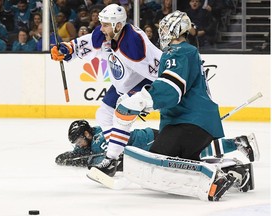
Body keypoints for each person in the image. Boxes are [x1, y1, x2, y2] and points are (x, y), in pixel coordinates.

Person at [89, 10, 238, 200]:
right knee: (181, 161)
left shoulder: (180, 51)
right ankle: (236, 169)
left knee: (157, 160)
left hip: (189, 122)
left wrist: (143, 99)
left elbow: (171, 88)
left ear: (175, 30)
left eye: (166, 28)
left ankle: (215, 180)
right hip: (194, 122)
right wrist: (145, 101)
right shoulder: (182, 53)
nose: (162, 32)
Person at [50, 4, 162, 145]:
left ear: (119, 25)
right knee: (104, 114)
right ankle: (114, 149)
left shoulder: (134, 44)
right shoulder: (105, 33)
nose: (101, 29)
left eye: (106, 25)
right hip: (123, 85)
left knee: (122, 111)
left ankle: (120, 148)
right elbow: (89, 42)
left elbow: (159, 70)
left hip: (144, 82)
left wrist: (152, 95)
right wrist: (68, 49)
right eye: (102, 24)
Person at [57, 119, 258, 193]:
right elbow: (85, 153)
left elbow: (105, 162)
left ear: (86, 134)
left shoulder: (101, 139)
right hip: (152, 141)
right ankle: (235, 154)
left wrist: (85, 161)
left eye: (77, 141)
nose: (78, 145)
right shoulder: (95, 137)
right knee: (194, 154)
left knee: (192, 157)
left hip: (153, 144)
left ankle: (234, 159)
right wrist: (72, 156)